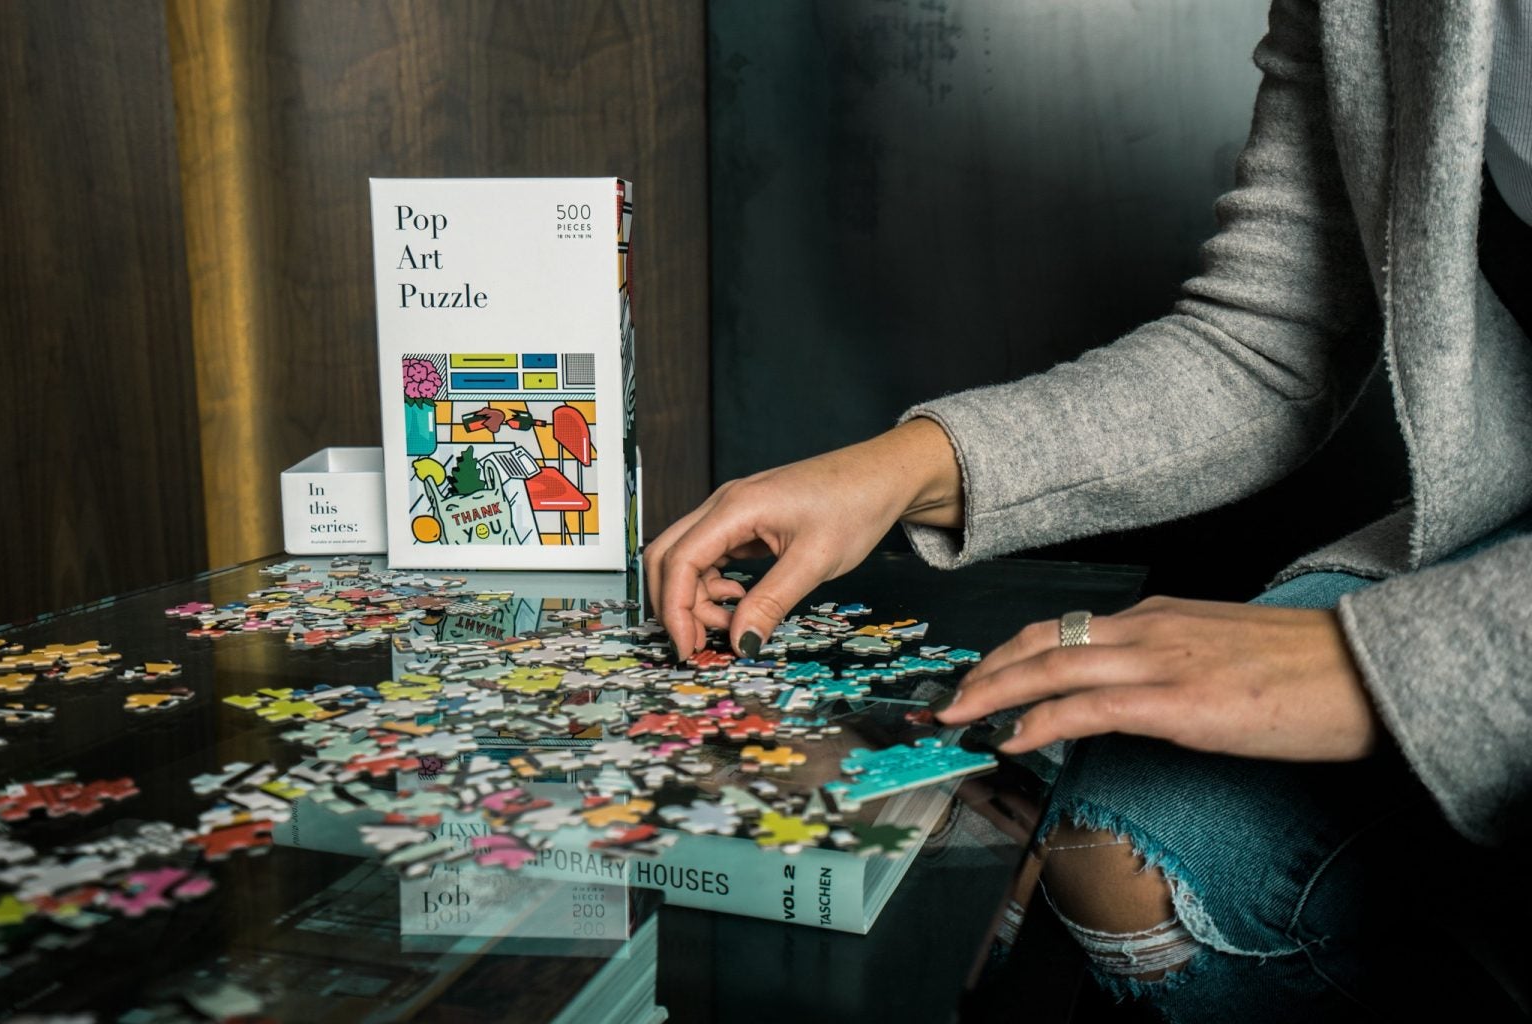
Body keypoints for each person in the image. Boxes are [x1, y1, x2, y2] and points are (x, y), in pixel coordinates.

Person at [647, 0, 1532, 1018]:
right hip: (1492, 525)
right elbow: (1264, 339)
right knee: (1125, 856)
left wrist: (1383, 665)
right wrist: (905, 466)